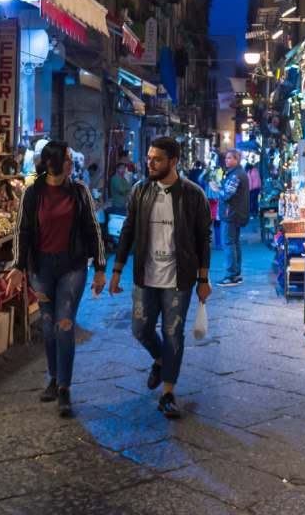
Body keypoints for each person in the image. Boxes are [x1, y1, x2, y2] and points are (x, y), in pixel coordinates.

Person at [108, 136, 212, 418]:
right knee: (140, 328)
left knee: (173, 333)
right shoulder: (141, 191)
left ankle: (168, 392)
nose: (150, 163)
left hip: (179, 278)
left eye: (157, 159)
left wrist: (204, 279)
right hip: (145, 274)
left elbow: (204, 238)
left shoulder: (193, 194)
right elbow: (128, 230)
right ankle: (159, 359)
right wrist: (116, 270)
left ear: (173, 161)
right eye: (149, 158)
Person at [12, 141, 106, 417]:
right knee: (50, 325)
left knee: (65, 325)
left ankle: (64, 388)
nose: (70, 162)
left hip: (72, 268)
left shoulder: (79, 192)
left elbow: (93, 229)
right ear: (53, 163)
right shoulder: (32, 193)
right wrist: (18, 266)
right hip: (41, 269)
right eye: (66, 158)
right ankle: (53, 379)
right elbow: (22, 231)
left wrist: (100, 267)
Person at [216, 149, 250, 287]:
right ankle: (236, 274)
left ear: (236, 159)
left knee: (229, 243)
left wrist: (216, 189)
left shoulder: (236, 175)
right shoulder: (237, 173)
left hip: (230, 214)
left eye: (229, 158)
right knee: (235, 243)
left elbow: (226, 194)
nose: (226, 160)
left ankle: (231, 275)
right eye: (226, 158)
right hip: (235, 214)